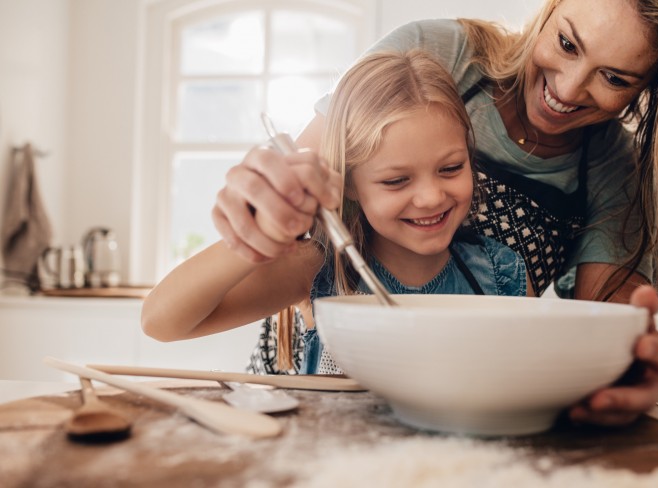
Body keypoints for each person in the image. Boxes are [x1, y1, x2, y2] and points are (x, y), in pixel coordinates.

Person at [211, 0, 658, 421]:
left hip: (461, 413)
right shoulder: (438, 55)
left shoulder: (619, 175)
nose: (568, 90)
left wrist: (617, 372)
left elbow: (597, 338)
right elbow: (306, 190)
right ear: (549, 10)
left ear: (652, 88)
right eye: (567, 43)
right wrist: (267, 204)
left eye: (615, 78)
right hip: (305, 379)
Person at [142, 50, 534, 375]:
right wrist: (260, 234)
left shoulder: (503, 275)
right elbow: (161, 322)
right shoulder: (319, 270)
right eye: (397, 181)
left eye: (450, 169)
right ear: (349, 183)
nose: (431, 197)